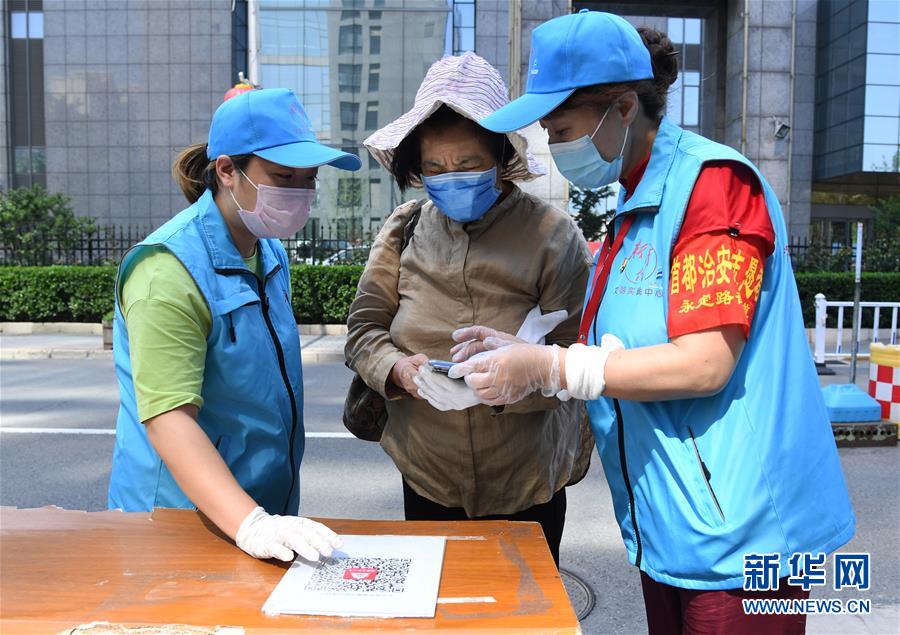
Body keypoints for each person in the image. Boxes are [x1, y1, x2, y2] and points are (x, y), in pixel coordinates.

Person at [450, 12, 856, 634]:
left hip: (743, 547)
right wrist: (526, 353)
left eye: (561, 128)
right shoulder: (634, 207)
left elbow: (705, 362)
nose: (556, 147)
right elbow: (619, 350)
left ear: (622, 106)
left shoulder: (712, 187)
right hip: (672, 528)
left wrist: (555, 366)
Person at [345, 53, 593, 566]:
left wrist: (516, 380)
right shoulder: (403, 229)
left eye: (468, 165)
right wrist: (398, 370)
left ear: (501, 158)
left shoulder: (552, 236)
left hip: (526, 481)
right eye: (435, 167)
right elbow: (364, 331)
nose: (450, 177)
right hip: (428, 473)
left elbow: (576, 358)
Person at [108, 88, 362, 563]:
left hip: (263, 510)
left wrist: (264, 519)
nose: (299, 193)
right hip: (179, 520)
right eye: (284, 176)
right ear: (227, 170)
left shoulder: (268, 252)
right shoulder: (166, 269)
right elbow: (168, 418)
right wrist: (251, 523)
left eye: (309, 180)